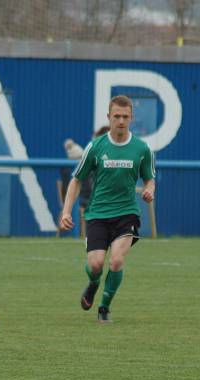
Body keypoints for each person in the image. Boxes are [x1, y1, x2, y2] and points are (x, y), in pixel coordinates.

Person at [58, 95, 155, 324]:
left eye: (125, 116)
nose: (121, 120)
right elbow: (76, 180)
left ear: (131, 118)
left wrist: (150, 190)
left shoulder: (142, 149)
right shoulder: (95, 146)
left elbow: (150, 178)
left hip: (127, 213)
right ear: (108, 117)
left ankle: (104, 307)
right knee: (96, 265)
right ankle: (93, 284)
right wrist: (65, 211)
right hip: (98, 214)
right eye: (116, 116)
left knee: (116, 261)